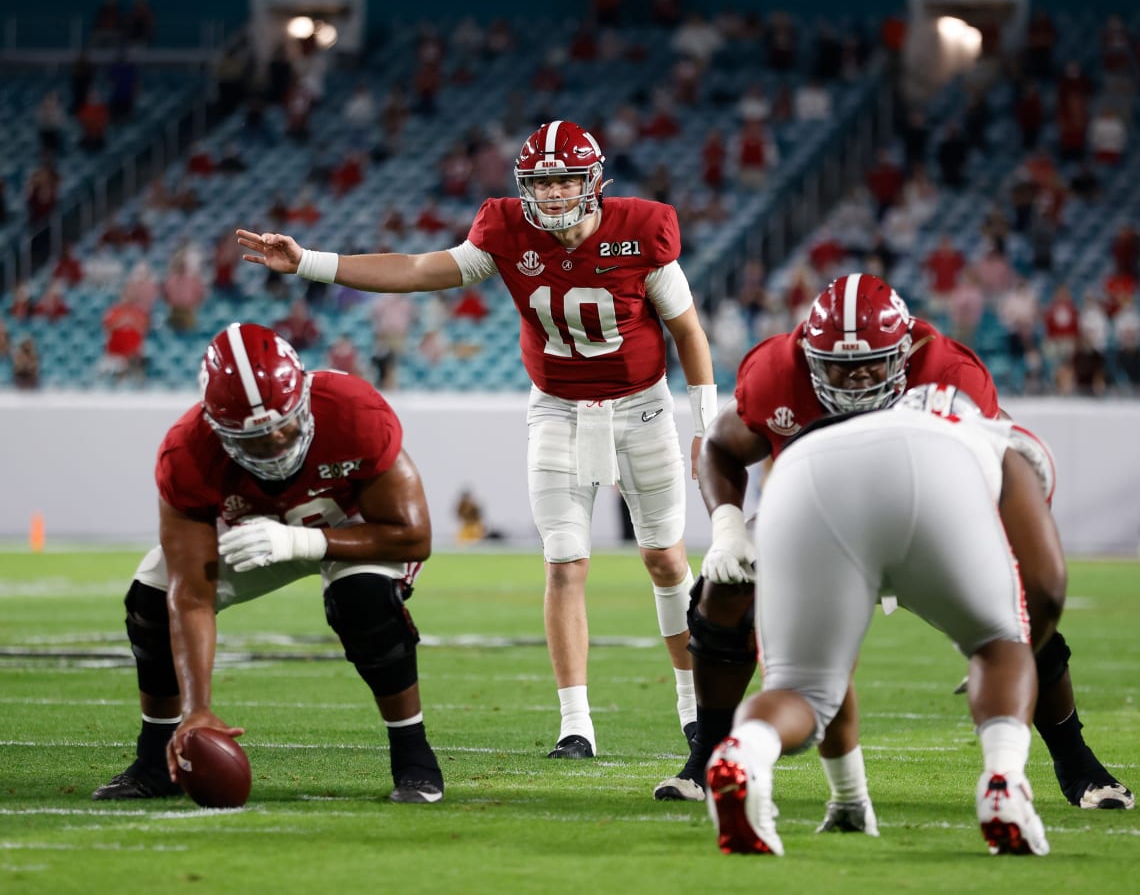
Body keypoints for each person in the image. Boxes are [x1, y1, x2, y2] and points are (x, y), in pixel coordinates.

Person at [237, 119, 718, 759]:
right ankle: (576, 724)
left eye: (566, 180)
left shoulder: (641, 232)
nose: (551, 195)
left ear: (594, 181)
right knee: (565, 561)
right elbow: (417, 268)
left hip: (642, 407)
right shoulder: (506, 232)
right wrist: (311, 264)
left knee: (665, 560)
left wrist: (706, 426)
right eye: (542, 184)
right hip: (558, 408)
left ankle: (694, 710)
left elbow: (688, 332)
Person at [657, 273, 1133, 820]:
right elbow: (720, 444)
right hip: (823, 519)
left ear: (906, 352)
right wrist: (728, 529)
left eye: (872, 363)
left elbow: (1004, 493)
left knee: (1017, 614)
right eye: (837, 366)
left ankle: (1075, 761)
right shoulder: (777, 369)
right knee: (724, 591)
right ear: (807, 355)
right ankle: (710, 756)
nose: (856, 380)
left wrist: (1016, 611)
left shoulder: (952, 373)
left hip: (924, 523)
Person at [91, 323, 444, 804]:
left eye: (285, 423)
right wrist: (198, 709)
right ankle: (156, 761)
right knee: (151, 600)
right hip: (254, 535)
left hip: (350, 525)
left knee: (363, 602)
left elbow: (412, 537)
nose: (277, 441)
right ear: (216, 428)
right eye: (255, 438)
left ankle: (414, 759)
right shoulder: (187, 453)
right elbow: (190, 593)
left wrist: (304, 543)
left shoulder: (352, 409)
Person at [706, 384, 1063, 857]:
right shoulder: (998, 442)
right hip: (936, 480)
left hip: (805, 470)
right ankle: (1004, 785)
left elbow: (721, 439)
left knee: (800, 688)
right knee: (1000, 642)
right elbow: (1048, 587)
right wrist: (1020, 644)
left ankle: (746, 751)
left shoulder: (860, 422)